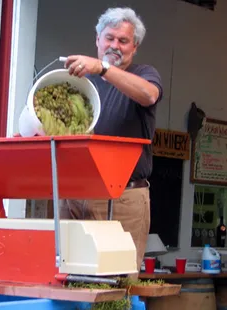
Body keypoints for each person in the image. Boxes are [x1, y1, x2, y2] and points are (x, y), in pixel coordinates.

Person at [60, 7, 163, 278]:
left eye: (123, 41)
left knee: (118, 284)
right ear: (97, 40)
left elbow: (149, 95)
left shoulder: (144, 73)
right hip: (76, 195)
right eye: (109, 38)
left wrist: (104, 68)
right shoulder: (78, 81)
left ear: (134, 47)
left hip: (125, 197)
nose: (114, 46)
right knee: (69, 278)